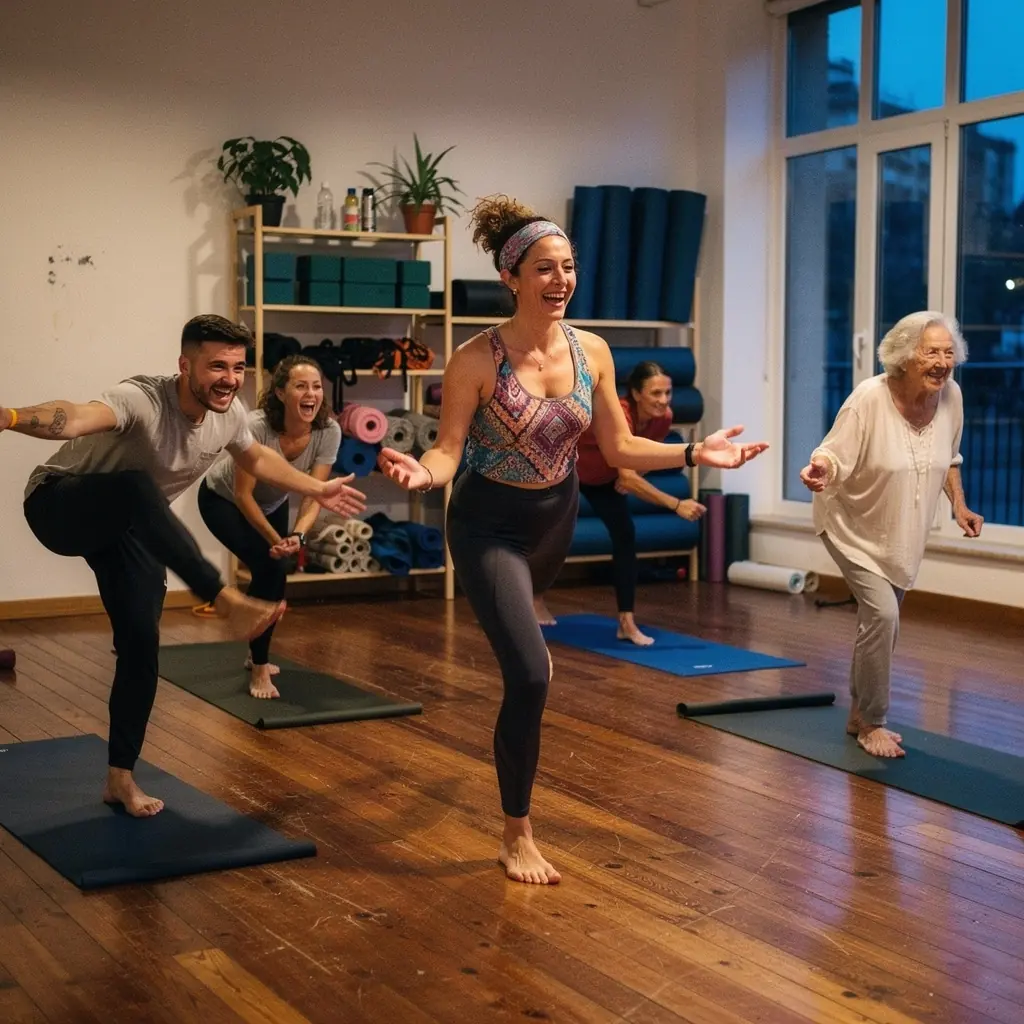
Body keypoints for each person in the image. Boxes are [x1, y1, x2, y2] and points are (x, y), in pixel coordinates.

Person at [378, 196, 767, 884]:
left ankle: (517, 766)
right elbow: (447, 451)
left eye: (568, 268)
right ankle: (516, 832)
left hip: (553, 521)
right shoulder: (476, 360)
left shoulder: (594, 351)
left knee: (532, 658)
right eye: (543, 269)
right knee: (531, 675)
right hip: (487, 525)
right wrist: (420, 473)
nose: (560, 280)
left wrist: (695, 453)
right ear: (511, 276)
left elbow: (617, 447)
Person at [3, 314, 366, 817]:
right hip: (58, 503)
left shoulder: (231, 413)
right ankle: (222, 599)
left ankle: (120, 779)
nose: (229, 379)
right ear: (185, 365)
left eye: (238, 368)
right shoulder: (143, 399)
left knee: (140, 648)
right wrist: (12, 417)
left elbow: (257, 461)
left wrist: (317, 487)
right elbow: (76, 415)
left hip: (127, 529)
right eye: (217, 366)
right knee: (135, 487)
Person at [800, 311, 983, 759]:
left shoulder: (951, 397)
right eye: (932, 352)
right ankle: (873, 723)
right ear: (904, 357)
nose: (943, 362)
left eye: (948, 352)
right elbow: (831, 453)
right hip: (850, 524)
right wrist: (820, 470)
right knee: (882, 616)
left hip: (900, 532)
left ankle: (856, 714)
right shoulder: (869, 398)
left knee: (876, 624)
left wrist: (958, 505)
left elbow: (949, 458)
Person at [533, 359, 706, 645]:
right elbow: (627, 473)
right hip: (568, 472)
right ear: (636, 394)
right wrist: (676, 504)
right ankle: (535, 598)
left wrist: (633, 475)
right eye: (655, 394)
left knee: (625, 536)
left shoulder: (664, 418)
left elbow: (648, 456)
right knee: (555, 537)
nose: (663, 401)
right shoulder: (619, 415)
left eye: (667, 393)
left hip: (603, 479)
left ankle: (626, 621)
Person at [199, 354, 342, 699]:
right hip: (224, 501)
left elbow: (313, 494)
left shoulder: (328, 431)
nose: (311, 394)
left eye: (317, 387)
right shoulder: (256, 425)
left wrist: (297, 537)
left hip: (273, 503)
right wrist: (274, 540)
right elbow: (244, 494)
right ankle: (260, 667)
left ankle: (255, 650)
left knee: (277, 570)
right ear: (280, 392)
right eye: (301, 386)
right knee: (269, 563)